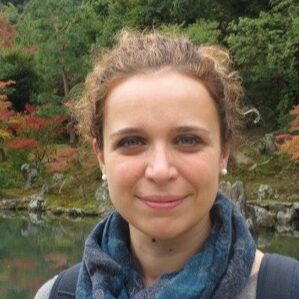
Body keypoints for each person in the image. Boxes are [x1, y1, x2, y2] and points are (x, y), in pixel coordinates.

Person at [35, 31, 299, 299]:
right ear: (101, 156)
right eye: (132, 142)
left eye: (187, 139)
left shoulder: (286, 289)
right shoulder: (56, 294)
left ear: (224, 151)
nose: (160, 171)